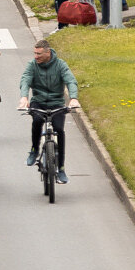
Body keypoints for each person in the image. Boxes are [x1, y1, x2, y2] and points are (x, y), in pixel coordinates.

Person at [18, 38, 79, 182]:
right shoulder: (32, 65)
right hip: (38, 101)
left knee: (59, 129)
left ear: (48, 53)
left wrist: (73, 98)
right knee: (37, 121)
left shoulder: (60, 65)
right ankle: (34, 150)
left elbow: (71, 80)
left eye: (39, 54)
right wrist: (24, 97)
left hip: (56, 102)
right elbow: (25, 79)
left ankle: (61, 168)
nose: (36, 57)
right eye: (34, 53)